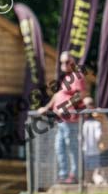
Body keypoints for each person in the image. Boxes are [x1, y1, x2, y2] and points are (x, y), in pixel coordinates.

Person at [37, 52, 87, 185]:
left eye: (67, 62)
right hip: (62, 121)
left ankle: (74, 176)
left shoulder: (77, 76)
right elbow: (58, 95)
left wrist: (64, 107)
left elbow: (80, 95)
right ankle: (63, 175)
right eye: (62, 62)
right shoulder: (66, 78)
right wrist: (46, 107)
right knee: (59, 147)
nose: (63, 65)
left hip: (71, 120)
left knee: (72, 147)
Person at [82, 97, 108, 186]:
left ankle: (103, 186)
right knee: (97, 171)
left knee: (100, 172)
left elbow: (99, 136)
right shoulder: (88, 119)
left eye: (85, 106)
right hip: (100, 149)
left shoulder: (98, 114)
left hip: (107, 146)